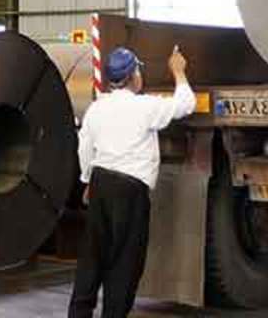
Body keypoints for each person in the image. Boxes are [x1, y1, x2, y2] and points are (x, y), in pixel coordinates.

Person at [68, 45, 195, 318]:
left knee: (91, 258)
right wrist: (178, 72)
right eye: (138, 71)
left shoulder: (97, 108)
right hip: (130, 191)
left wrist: (88, 180)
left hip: (101, 184)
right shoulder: (145, 107)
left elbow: (84, 148)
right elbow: (186, 104)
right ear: (132, 75)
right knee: (125, 263)